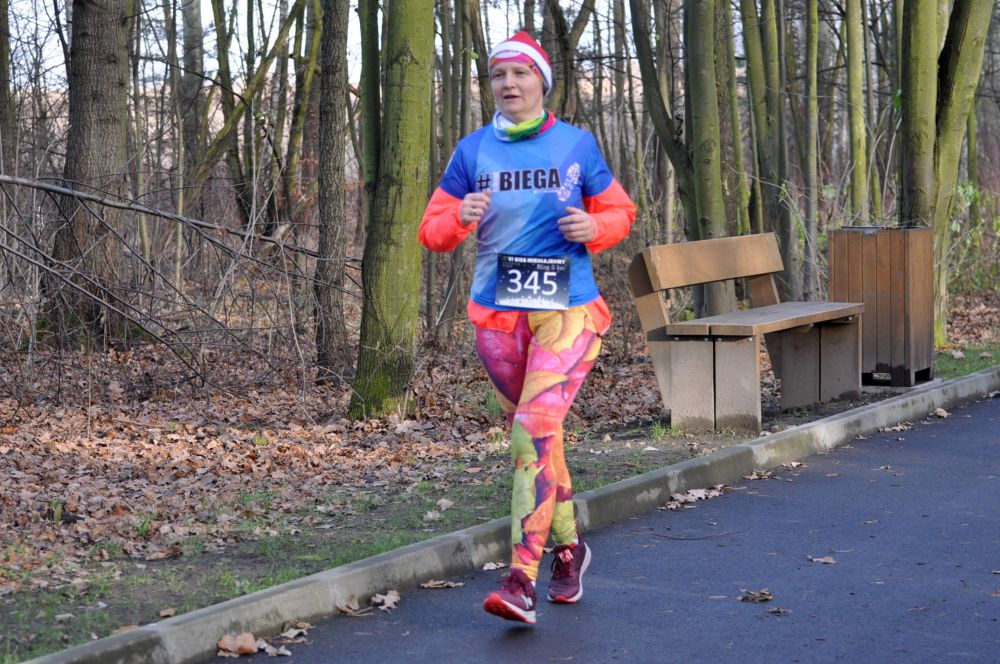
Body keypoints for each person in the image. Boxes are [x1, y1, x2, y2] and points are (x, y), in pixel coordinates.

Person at [418, 31, 636, 625]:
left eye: (520, 73)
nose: (509, 84)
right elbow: (431, 231)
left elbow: (620, 211)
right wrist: (458, 218)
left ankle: (520, 580)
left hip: (567, 310)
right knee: (541, 440)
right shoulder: (472, 152)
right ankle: (570, 549)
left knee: (532, 431)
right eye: (499, 75)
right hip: (497, 315)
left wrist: (596, 229)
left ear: (542, 81)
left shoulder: (576, 145)